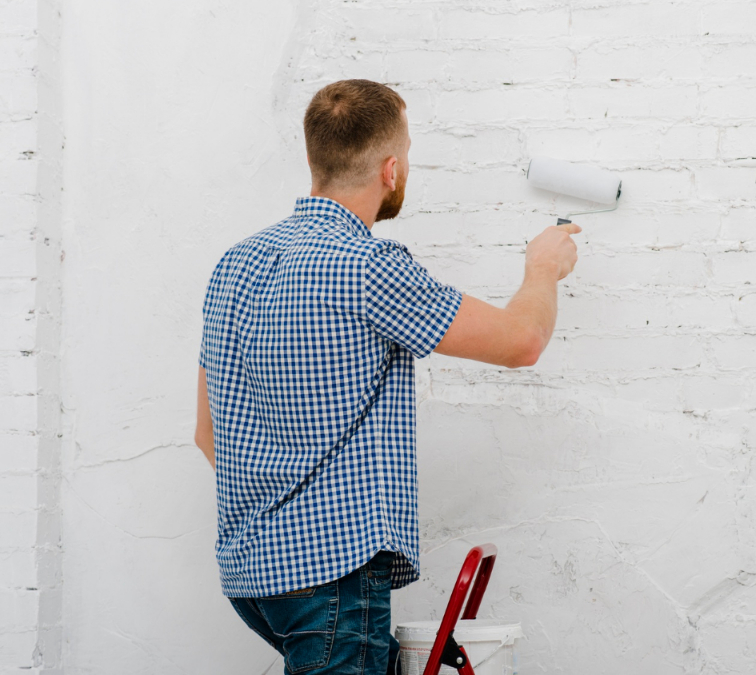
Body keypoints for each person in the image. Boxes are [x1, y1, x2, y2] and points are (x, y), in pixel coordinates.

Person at [193, 79, 580, 675]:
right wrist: (543, 268)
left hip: (253, 575)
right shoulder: (370, 267)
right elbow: (521, 342)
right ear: (391, 170)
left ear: (312, 160)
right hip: (332, 577)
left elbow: (208, 435)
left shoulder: (235, 265)